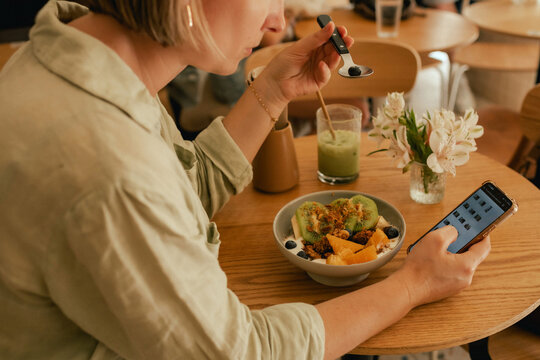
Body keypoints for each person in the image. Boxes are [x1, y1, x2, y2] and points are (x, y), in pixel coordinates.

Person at [0, 0, 491, 359]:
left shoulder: (80, 61)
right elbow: (244, 353)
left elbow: (176, 196)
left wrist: (272, 91)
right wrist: (413, 284)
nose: (278, 22)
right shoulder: (108, 166)